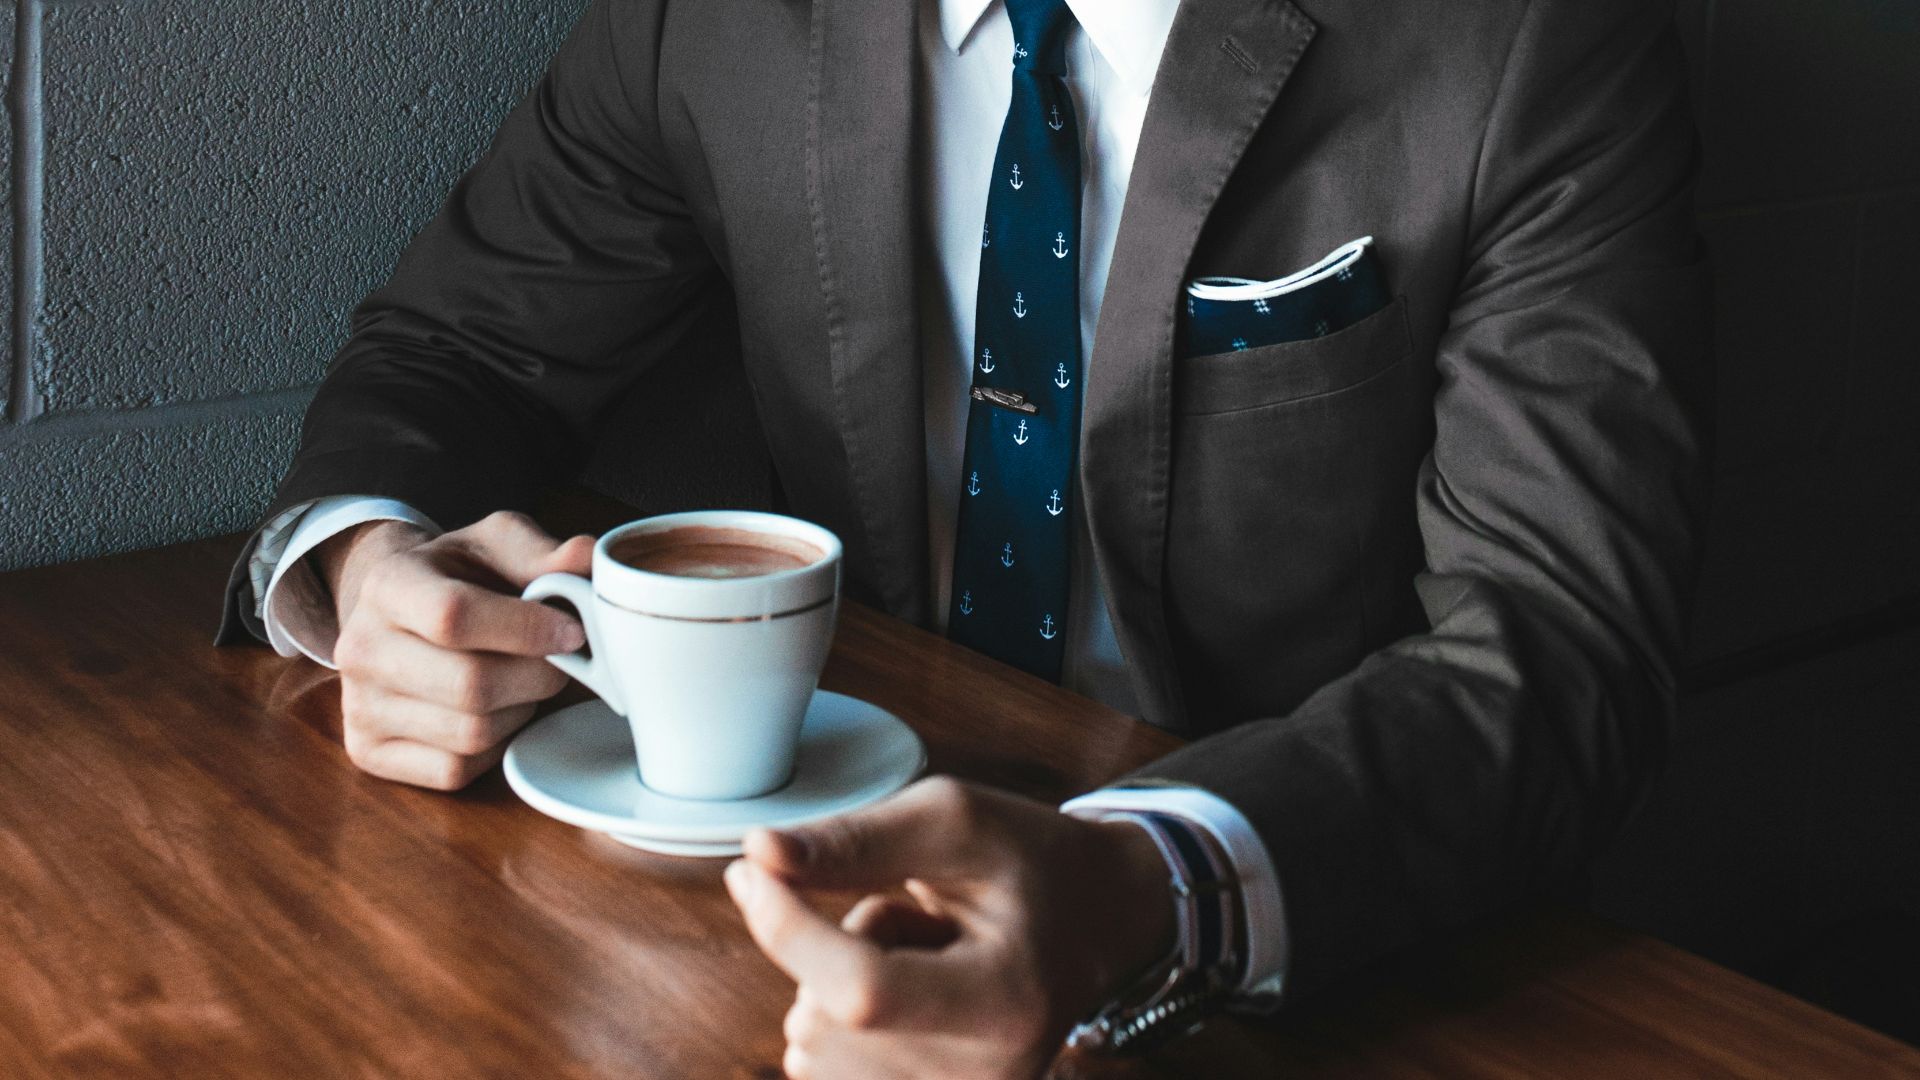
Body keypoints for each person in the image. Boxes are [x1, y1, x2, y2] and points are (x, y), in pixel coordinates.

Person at [217, 0, 1711, 1073]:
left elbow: (1559, 642)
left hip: (1308, 948)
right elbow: (455, 354)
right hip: (782, 923)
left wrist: (1149, 887)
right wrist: (359, 567)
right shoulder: (704, 23)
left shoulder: (1535, 40)